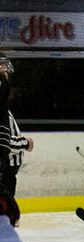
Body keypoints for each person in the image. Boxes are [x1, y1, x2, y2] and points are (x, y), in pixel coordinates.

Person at [0, 52, 33, 227]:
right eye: (3, 65)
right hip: (5, 168)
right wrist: (25, 143)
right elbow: (4, 140)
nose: (6, 69)